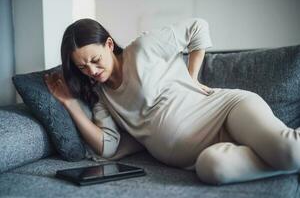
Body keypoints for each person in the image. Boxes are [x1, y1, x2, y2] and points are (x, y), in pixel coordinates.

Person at [44, 18, 300, 185]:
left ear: (109, 44)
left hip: (225, 111)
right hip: (204, 155)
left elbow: (198, 28)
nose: (91, 70)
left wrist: (191, 78)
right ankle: (284, 161)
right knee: (212, 170)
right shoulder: (103, 98)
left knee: (289, 152)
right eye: (82, 67)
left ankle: (286, 154)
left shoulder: (142, 49)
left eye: (95, 59)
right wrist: (69, 104)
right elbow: (107, 147)